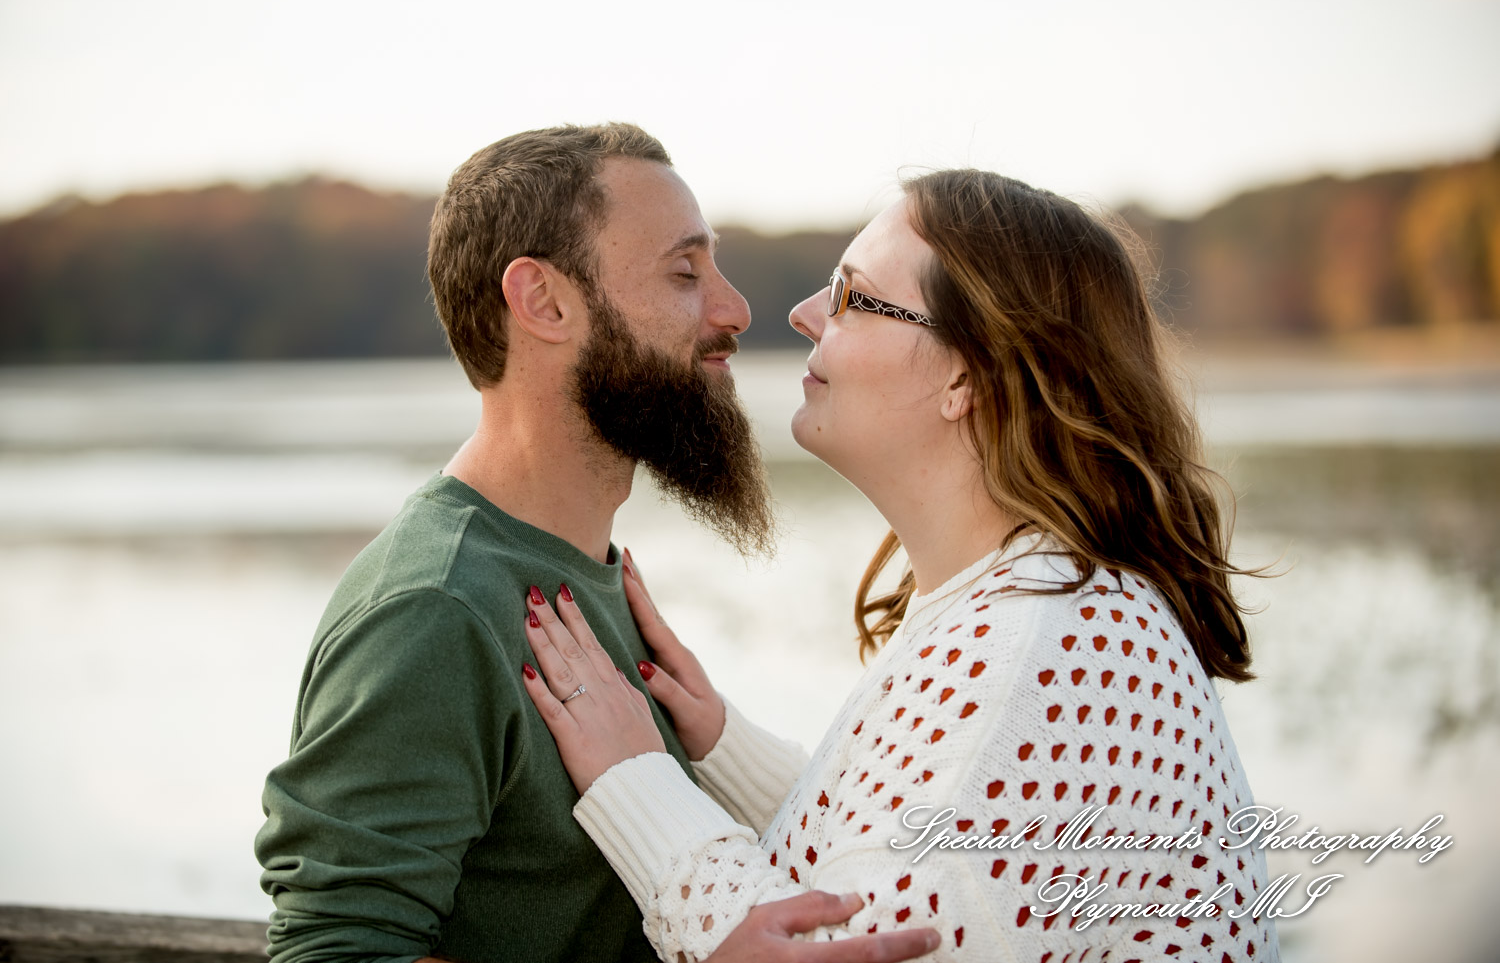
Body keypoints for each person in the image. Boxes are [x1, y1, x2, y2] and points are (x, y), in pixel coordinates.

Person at [520, 169, 1281, 961]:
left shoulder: (1039, 652)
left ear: (965, 377)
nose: (804, 315)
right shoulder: (1038, 598)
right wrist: (719, 748)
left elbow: (865, 944)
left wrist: (639, 785)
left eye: (851, 296)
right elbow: (931, 860)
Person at [253, 124, 938, 963]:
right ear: (544, 301)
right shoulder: (433, 609)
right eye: (685, 273)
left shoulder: (593, 573)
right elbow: (334, 953)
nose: (734, 310)